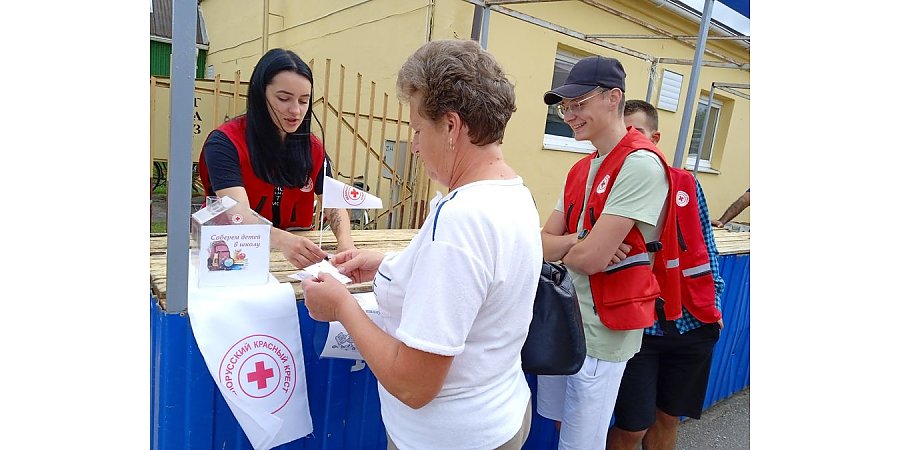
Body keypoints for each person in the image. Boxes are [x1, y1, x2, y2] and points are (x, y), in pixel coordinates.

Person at [300, 39, 542, 450]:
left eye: (416, 128)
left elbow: (414, 385)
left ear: (451, 127)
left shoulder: (462, 220)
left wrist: (342, 307)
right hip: (499, 413)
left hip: (448, 437)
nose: (413, 144)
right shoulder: (512, 193)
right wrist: (392, 264)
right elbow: (478, 285)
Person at [536, 55, 670, 450]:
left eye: (579, 103)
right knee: (563, 428)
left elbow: (591, 260)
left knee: (582, 442)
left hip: (602, 332)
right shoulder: (581, 167)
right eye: (566, 107)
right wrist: (580, 242)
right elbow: (541, 244)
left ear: (614, 98)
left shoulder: (641, 164)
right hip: (561, 321)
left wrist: (572, 248)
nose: (570, 115)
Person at [605, 99, 726, 450]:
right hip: (637, 328)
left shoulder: (686, 184)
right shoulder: (604, 186)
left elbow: (707, 249)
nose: (628, 140)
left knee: (669, 418)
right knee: (632, 427)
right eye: (621, 132)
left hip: (691, 321)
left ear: (654, 138)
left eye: (636, 132)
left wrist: (714, 306)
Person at [198, 48, 355, 269]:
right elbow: (237, 213)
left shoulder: (312, 148)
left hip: (296, 261)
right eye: (283, 98)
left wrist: (346, 244)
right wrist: (283, 241)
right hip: (232, 255)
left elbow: (333, 202)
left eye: (304, 101)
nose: (295, 111)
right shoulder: (225, 143)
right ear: (260, 95)